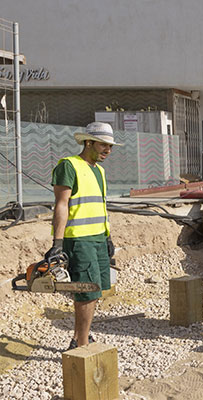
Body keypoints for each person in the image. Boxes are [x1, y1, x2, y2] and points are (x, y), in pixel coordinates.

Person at [48, 122, 120, 350]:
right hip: (79, 240)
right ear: (88, 142)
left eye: (110, 146)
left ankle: (81, 337)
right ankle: (81, 344)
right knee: (87, 292)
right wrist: (58, 243)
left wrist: (108, 237)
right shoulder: (68, 166)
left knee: (95, 290)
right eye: (103, 145)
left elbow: (100, 207)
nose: (108, 150)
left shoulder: (99, 171)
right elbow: (61, 205)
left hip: (98, 238)